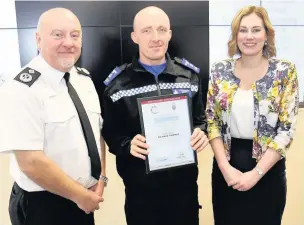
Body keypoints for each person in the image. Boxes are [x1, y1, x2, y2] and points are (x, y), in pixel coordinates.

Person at [0, 8, 107, 225]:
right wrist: (80, 196)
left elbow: (96, 133)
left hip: (84, 201)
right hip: (43, 206)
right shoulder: (21, 88)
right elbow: (30, 162)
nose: (68, 42)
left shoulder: (83, 79)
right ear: (38, 39)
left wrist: (101, 177)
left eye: (75, 35)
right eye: (58, 35)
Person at [102, 6, 208, 225]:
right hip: (141, 195)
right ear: (135, 37)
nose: (156, 38)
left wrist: (201, 132)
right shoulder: (117, 84)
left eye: (162, 30)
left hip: (184, 192)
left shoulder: (189, 77)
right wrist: (127, 145)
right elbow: (110, 132)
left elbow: (200, 120)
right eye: (147, 30)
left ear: (169, 33)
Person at [206, 5, 299, 225]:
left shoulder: (284, 71)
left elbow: (286, 130)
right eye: (243, 30)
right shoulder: (219, 70)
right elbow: (212, 121)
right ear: (235, 35)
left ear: (266, 35)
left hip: (267, 170)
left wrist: (255, 174)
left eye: (256, 30)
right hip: (226, 168)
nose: (249, 36)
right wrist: (224, 168)